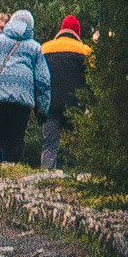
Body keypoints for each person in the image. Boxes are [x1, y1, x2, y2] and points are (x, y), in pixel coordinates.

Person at [0, 3, 51, 163]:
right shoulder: (35, 47)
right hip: (22, 100)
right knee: (16, 139)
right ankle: (12, 171)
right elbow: (43, 80)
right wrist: (42, 108)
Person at [42, 13, 95, 170]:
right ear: (77, 33)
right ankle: (75, 175)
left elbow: (39, 77)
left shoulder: (45, 48)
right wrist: (89, 104)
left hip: (51, 103)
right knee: (75, 142)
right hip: (76, 105)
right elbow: (93, 81)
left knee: (50, 141)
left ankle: (47, 173)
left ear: (61, 30)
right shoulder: (86, 51)